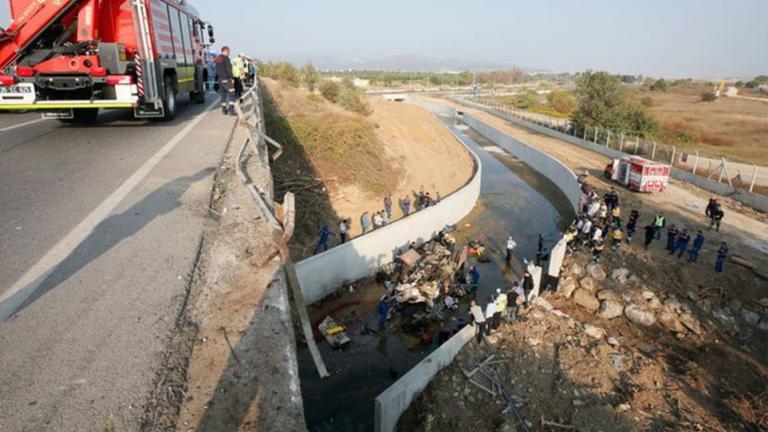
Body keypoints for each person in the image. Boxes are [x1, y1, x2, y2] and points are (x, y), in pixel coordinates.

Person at [214, 46, 235, 115]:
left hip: (220, 79)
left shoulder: (217, 58)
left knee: (223, 95)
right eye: (229, 51)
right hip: (226, 79)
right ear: (225, 51)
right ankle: (231, 110)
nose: (229, 53)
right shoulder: (226, 58)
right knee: (231, 94)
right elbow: (229, 69)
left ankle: (224, 110)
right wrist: (231, 78)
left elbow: (216, 69)